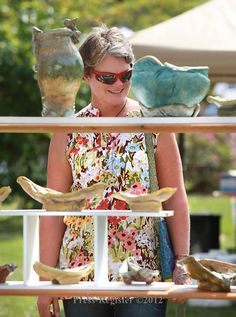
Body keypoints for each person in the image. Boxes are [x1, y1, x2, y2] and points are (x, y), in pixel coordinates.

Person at [37, 24, 190, 317]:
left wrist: (182, 262)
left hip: (142, 273)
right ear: (85, 74)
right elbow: (54, 207)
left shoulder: (154, 124)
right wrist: (46, 282)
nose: (119, 84)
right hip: (80, 272)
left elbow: (176, 197)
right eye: (107, 77)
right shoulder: (67, 129)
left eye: (126, 75)